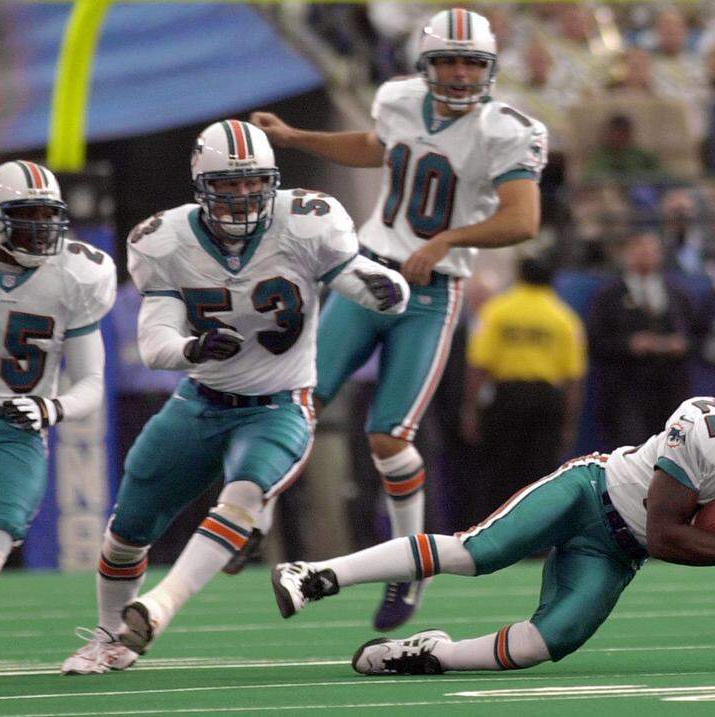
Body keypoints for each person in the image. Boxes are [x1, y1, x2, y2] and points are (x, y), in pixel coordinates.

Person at [59, 119, 409, 674]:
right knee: (126, 533)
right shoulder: (164, 240)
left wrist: (383, 286)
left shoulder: (306, 222)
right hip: (200, 400)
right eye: (229, 184)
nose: (244, 196)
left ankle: (159, 606)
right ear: (202, 185)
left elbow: (355, 275)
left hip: (278, 405)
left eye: (254, 183)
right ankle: (108, 637)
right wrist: (192, 349)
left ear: (272, 181)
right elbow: (154, 344)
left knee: (243, 496)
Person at [247, 7, 547, 631]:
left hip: (433, 291)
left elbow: (523, 219)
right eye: (449, 61)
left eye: (472, 62)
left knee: (388, 436)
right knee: (299, 400)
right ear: (425, 65)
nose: (461, 74)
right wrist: (297, 138)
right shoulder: (399, 100)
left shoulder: (507, 129)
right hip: (368, 269)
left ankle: (408, 570)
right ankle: (251, 515)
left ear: (490, 68)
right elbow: (376, 149)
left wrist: (447, 240)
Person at [270, 380, 715, 675]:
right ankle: (319, 573)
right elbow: (666, 534)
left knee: (542, 644)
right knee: (475, 552)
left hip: (617, 552)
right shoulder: (708, 428)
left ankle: (433, 653)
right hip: (590, 493)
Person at [0, 161, 116, 629]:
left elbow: (91, 382)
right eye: (27, 217)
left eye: (48, 218)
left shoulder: (78, 273)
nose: (41, 231)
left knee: (1, 528)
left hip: (14, 424)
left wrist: (51, 407)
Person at [460, 257, 587, 524]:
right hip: (547, 400)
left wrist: (470, 410)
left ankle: (493, 535)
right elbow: (574, 378)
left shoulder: (497, 311)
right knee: (541, 475)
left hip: (506, 398)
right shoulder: (564, 317)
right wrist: (569, 422)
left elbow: (478, 365)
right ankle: (538, 540)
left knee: (499, 471)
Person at [588, 231, 698, 451]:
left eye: (651, 250)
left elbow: (697, 335)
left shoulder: (677, 294)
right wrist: (629, 345)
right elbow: (595, 341)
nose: (646, 255)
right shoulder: (609, 295)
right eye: (640, 249)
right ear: (627, 254)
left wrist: (681, 345)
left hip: (668, 389)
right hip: (626, 390)